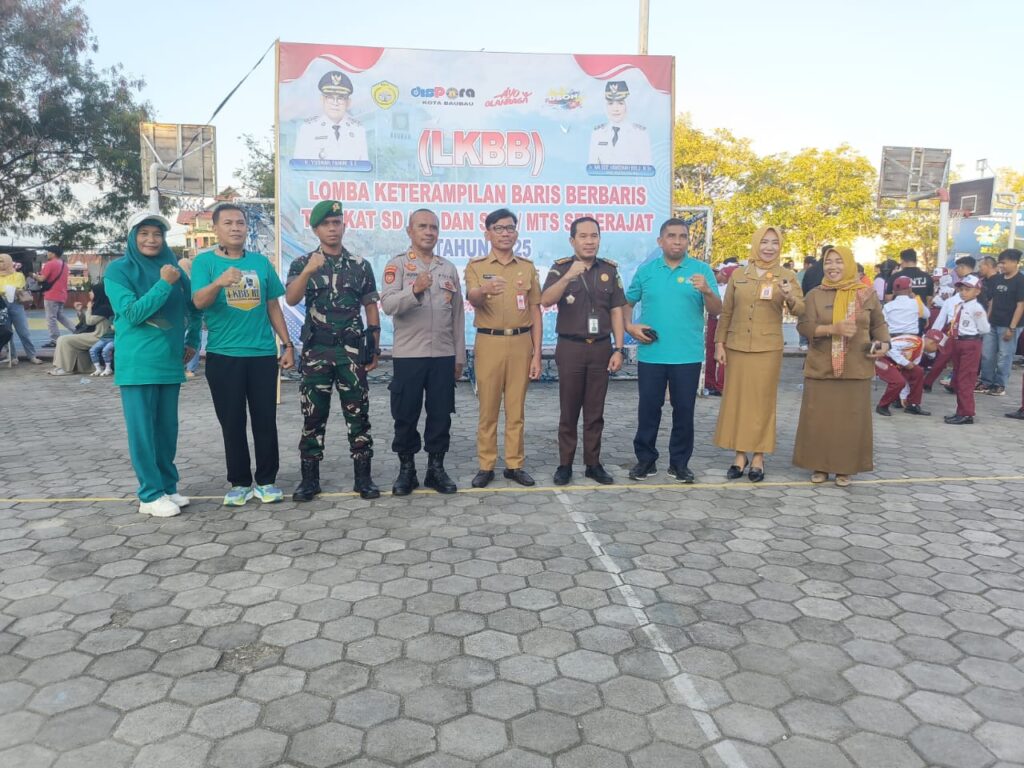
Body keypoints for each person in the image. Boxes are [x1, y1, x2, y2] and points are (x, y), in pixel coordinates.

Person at [191, 203, 294, 506]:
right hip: (224, 355)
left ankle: (266, 480)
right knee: (232, 421)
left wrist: (286, 344)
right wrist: (219, 282)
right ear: (215, 228)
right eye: (228, 223)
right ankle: (238, 482)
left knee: (265, 419)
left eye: (240, 223)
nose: (236, 228)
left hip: (262, 354)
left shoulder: (261, 263)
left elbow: (273, 304)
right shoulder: (204, 263)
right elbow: (198, 301)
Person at [104, 210, 200, 517]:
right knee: (143, 431)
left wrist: (193, 341)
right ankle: (149, 494)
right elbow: (132, 313)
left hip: (169, 361)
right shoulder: (118, 270)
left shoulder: (172, 268)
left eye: (157, 234)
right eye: (144, 233)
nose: (151, 239)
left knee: (166, 429)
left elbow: (194, 307)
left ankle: (168, 486)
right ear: (132, 237)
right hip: (137, 363)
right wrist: (162, 285)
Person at [286, 200, 381, 501]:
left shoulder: (360, 265)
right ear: (315, 229)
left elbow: (370, 305)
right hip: (317, 351)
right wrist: (308, 272)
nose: (332, 228)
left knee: (358, 414)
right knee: (314, 416)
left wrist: (374, 344)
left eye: (337, 222)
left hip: (351, 352)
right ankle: (309, 481)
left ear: (343, 226)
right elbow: (290, 299)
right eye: (326, 224)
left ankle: (363, 479)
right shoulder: (302, 264)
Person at [625, 218, 721, 483]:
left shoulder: (701, 271)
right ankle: (646, 461)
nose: (677, 241)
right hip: (652, 354)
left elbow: (716, 310)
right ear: (660, 241)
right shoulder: (646, 271)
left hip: (687, 356)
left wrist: (707, 291)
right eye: (671, 236)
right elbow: (627, 302)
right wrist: (629, 327)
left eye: (683, 236)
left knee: (684, 411)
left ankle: (679, 464)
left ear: (688, 241)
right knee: (648, 409)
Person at [380, 208, 465, 495]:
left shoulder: (448, 268)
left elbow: (457, 316)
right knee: (406, 414)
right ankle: (407, 471)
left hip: (442, 355)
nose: (429, 232)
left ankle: (435, 470)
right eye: (423, 226)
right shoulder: (398, 265)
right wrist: (414, 289)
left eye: (434, 227)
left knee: (441, 414)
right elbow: (389, 305)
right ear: (410, 231)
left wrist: (459, 355)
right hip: (409, 355)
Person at [540, 216, 627, 486]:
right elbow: (545, 301)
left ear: (600, 239)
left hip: (601, 348)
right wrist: (569, 276)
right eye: (584, 236)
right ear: (572, 240)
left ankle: (593, 464)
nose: (590, 241)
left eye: (594, 236)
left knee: (595, 411)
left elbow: (616, 311)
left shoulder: (610, 271)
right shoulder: (560, 268)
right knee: (569, 411)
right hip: (570, 348)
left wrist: (619, 349)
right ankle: (565, 464)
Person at [713, 227, 804, 482]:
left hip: (767, 348)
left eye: (775, 243)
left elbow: (801, 310)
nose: (769, 247)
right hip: (737, 346)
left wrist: (789, 296)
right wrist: (720, 343)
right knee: (738, 401)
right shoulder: (739, 275)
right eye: (764, 242)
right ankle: (739, 455)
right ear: (755, 244)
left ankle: (758, 458)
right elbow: (727, 312)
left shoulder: (786, 276)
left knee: (762, 402)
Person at [793, 246, 890, 487]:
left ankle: (845, 468)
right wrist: (831, 330)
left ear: (849, 264)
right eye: (828, 262)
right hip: (821, 367)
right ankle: (820, 466)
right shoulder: (815, 294)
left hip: (856, 366)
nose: (833, 266)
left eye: (838, 261)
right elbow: (804, 327)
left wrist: (884, 344)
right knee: (819, 419)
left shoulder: (866, 294)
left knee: (850, 421)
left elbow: (878, 324)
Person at [464, 209, 543, 488]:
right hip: (489, 341)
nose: (505, 233)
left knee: (516, 408)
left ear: (517, 232)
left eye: (510, 228)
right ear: (488, 233)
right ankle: (486, 465)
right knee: (488, 408)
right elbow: (472, 298)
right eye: (499, 228)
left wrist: (537, 353)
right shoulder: (476, 266)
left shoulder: (527, 267)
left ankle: (514, 464)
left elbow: (535, 311)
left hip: (521, 342)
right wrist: (484, 289)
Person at [943, 275, 991, 424]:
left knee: (966, 379)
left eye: (968, 289)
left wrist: (971, 335)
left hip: (970, 343)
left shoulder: (977, 308)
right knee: (958, 378)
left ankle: (967, 413)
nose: (963, 292)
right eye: (962, 289)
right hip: (959, 342)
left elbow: (984, 328)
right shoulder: (962, 305)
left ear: (977, 291)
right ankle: (960, 411)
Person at [976, 248, 1024, 397]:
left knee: (1005, 356)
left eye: (1004, 263)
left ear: (1015, 262)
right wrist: (986, 321)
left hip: (1009, 325)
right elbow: (992, 301)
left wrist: (1012, 327)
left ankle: (999, 384)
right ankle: (986, 382)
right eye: (1000, 263)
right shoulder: (998, 279)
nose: (1002, 266)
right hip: (992, 323)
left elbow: (1021, 305)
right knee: (987, 354)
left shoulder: (1020, 281)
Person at [293, 71, 369, 163]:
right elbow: (298, 167)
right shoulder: (308, 129)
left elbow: (364, 168)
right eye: (330, 97)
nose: (335, 103)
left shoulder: (358, 130)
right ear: (322, 100)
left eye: (341, 98)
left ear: (348, 102)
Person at [47, 284, 113, 375]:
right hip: (94, 335)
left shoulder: (105, 308)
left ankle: (66, 369)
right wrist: (80, 311)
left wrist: (89, 308)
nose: (90, 293)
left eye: (92, 291)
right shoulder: (99, 306)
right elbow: (86, 324)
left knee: (64, 340)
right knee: (64, 339)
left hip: (100, 337)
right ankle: (63, 367)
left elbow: (90, 321)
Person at [587, 81, 651, 166]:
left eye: (620, 103)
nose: (615, 109)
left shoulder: (640, 134)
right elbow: (592, 167)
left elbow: (646, 168)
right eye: (610, 103)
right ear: (605, 106)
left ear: (627, 105)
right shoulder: (597, 133)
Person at [875, 331, 935, 417]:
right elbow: (888, 346)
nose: (935, 352)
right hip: (880, 357)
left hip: (895, 362)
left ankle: (913, 405)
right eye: (937, 348)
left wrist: (904, 396)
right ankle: (882, 406)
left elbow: (908, 377)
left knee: (918, 371)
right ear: (932, 343)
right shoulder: (914, 341)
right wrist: (904, 362)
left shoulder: (919, 351)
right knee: (898, 382)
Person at [0, 254, 41, 364]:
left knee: (23, 331)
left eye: (2, 261)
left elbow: (17, 286)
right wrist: (7, 289)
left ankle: (32, 355)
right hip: (1, 305)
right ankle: (12, 356)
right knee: (6, 332)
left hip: (15, 303)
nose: (0, 264)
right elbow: (8, 288)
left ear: (9, 262)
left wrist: (5, 290)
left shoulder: (18, 275)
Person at [704, 264, 736, 395]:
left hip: (719, 319)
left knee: (717, 352)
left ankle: (715, 383)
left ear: (723, 274)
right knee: (718, 352)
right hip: (720, 319)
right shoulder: (725, 287)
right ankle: (716, 384)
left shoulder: (724, 287)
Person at [35, 245, 74, 346]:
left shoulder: (50, 264)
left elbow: (42, 279)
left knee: (51, 318)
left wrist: (33, 275)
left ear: (53, 253)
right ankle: (77, 330)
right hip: (62, 294)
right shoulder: (64, 265)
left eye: (48, 252)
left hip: (51, 294)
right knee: (60, 316)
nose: (47, 254)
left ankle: (55, 340)